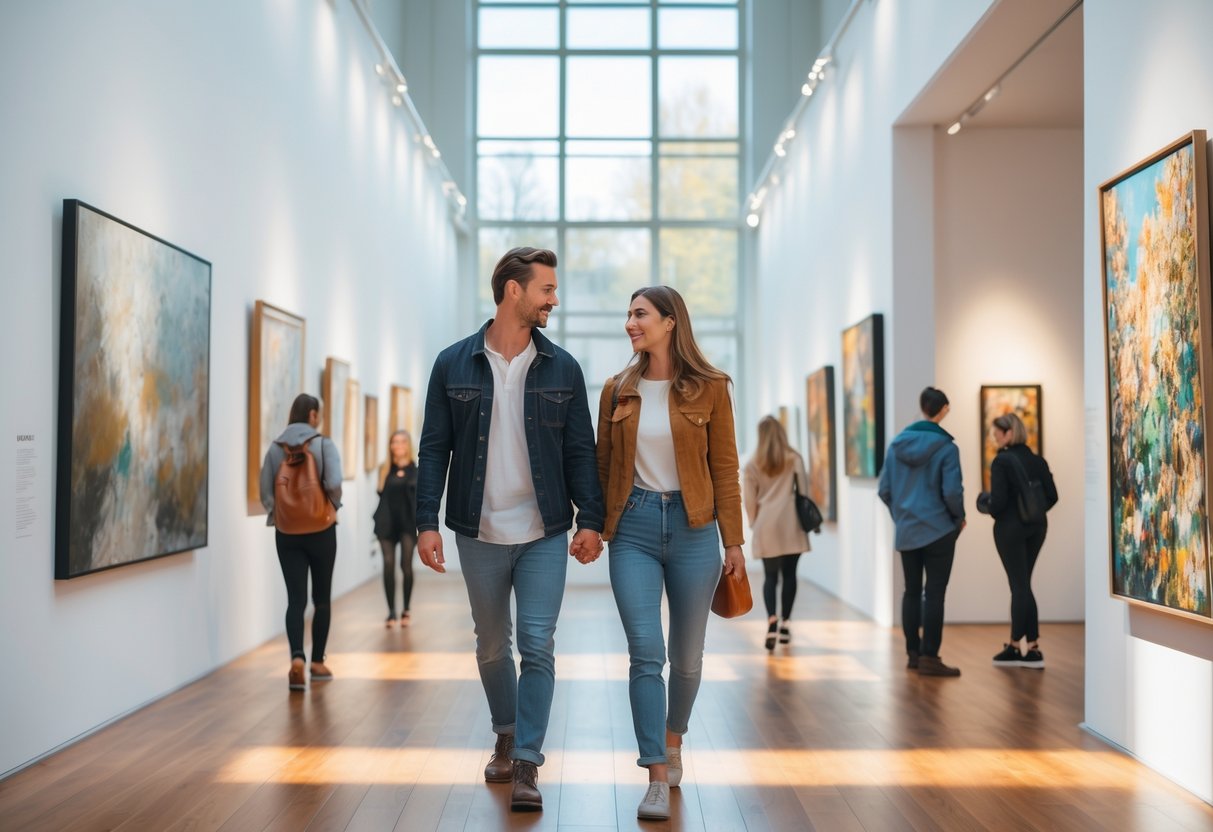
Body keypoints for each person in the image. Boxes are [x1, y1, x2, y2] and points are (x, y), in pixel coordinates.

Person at [415, 247, 605, 813]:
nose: (555, 298)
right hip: (477, 530)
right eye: (546, 288)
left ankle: (526, 760)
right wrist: (426, 521)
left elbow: (580, 452)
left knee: (538, 645)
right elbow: (433, 449)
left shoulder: (563, 368)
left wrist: (591, 519)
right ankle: (505, 728)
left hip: (545, 529)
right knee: (492, 645)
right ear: (513, 291)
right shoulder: (453, 363)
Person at [596, 285, 745, 821]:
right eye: (629, 314)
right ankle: (655, 772)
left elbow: (724, 469)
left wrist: (735, 542)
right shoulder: (616, 390)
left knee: (686, 659)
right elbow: (602, 466)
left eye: (640, 314)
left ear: (669, 322)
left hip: (695, 527)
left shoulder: (711, 388)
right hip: (633, 526)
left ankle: (674, 737)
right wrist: (593, 527)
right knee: (645, 652)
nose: (630, 322)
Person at [877, 386, 965, 677]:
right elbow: (952, 492)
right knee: (935, 594)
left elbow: (885, 490)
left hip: (907, 530)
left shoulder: (896, 445)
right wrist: (959, 518)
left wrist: (901, 516)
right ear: (943, 410)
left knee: (911, 591)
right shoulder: (947, 448)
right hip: (939, 530)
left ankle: (913, 654)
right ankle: (930, 656)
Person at [259, 393, 343, 691]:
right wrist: (332, 506)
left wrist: (280, 514)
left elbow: (265, 492)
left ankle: (296, 658)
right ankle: (317, 662)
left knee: (295, 599)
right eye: (317, 413)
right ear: (311, 415)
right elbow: (333, 482)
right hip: (321, 530)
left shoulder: (274, 448)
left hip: (287, 534)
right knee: (321, 599)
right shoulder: (323, 444)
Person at [976, 413, 1058, 668]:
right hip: (1037, 528)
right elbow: (1053, 496)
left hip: (1010, 530)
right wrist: (1032, 512)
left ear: (1009, 433)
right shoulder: (1037, 460)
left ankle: (1016, 647)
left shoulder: (1001, 462)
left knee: (1019, 586)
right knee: (1024, 585)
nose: (994, 438)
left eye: (996, 433)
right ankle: (1031, 648)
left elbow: (998, 504)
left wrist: (984, 502)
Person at [743, 416, 811, 651]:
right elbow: (804, 491)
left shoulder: (753, 463)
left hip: (766, 524)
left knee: (770, 577)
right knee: (790, 575)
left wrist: (754, 522)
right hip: (791, 523)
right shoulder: (794, 458)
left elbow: (749, 499)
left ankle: (771, 620)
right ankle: (786, 624)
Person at [373, 430, 419, 628]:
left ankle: (406, 609)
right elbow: (381, 493)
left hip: (408, 523)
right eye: (394, 442)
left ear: (408, 445)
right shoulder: (384, 469)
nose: (398, 445)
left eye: (402, 441)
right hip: (386, 522)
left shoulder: (415, 470)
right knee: (388, 564)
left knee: (406, 566)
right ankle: (391, 611)